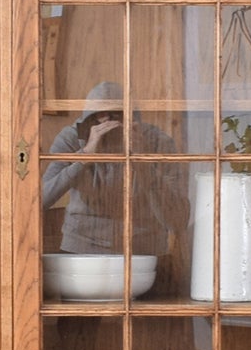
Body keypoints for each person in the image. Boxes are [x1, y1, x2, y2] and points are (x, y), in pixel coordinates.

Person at [40, 80, 180, 254]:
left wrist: (141, 161)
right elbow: (41, 200)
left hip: (143, 248)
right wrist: (84, 156)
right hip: (82, 244)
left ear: (131, 116)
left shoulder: (157, 141)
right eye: (100, 115)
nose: (108, 123)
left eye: (116, 114)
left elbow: (177, 219)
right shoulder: (72, 138)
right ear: (88, 118)